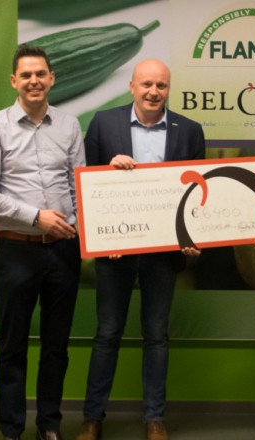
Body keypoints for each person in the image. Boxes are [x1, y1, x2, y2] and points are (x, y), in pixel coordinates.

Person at [75, 58, 205, 440]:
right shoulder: (104, 123)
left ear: (169, 89)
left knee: (157, 335)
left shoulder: (189, 131)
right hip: (115, 250)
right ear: (132, 86)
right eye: (146, 84)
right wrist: (107, 169)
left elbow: (198, 192)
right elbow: (85, 183)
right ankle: (92, 418)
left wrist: (195, 235)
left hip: (163, 253)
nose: (153, 92)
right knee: (107, 334)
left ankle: (154, 418)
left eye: (161, 85)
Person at [0, 44, 85, 440]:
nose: (34, 81)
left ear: (51, 78)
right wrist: (37, 217)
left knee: (56, 345)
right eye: (26, 75)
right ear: (13, 81)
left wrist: (78, 224)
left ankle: (49, 425)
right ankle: (12, 430)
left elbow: (78, 184)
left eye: (40, 74)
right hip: (16, 250)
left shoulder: (69, 125)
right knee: (12, 345)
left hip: (63, 251)